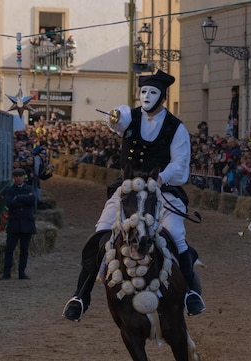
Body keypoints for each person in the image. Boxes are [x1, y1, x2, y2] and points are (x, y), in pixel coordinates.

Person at [62, 70, 206, 322]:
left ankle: (191, 293)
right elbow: (118, 120)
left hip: (161, 189)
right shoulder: (130, 117)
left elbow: (180, 161)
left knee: (176, 232)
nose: (147, 96)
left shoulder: (176, 127)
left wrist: (160, 178)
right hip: (128, 188)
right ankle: (80, 295)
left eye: (152, 92)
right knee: (102, 230)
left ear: (162, 96)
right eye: (143, 92)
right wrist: (116, 116)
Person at [0, 168, 37, 280]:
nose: (18, 178)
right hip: (14, 224)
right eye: (16, 176)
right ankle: (7, 272)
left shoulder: (29, 188)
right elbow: (10, 203)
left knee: (24, 250)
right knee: (9, 249)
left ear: (23, 177)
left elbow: (32, 199)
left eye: (20, 176)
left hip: (26, 223)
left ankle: (22, 272)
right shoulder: (10, 190)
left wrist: (18, 198)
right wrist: (23, 200)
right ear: (14, 178)